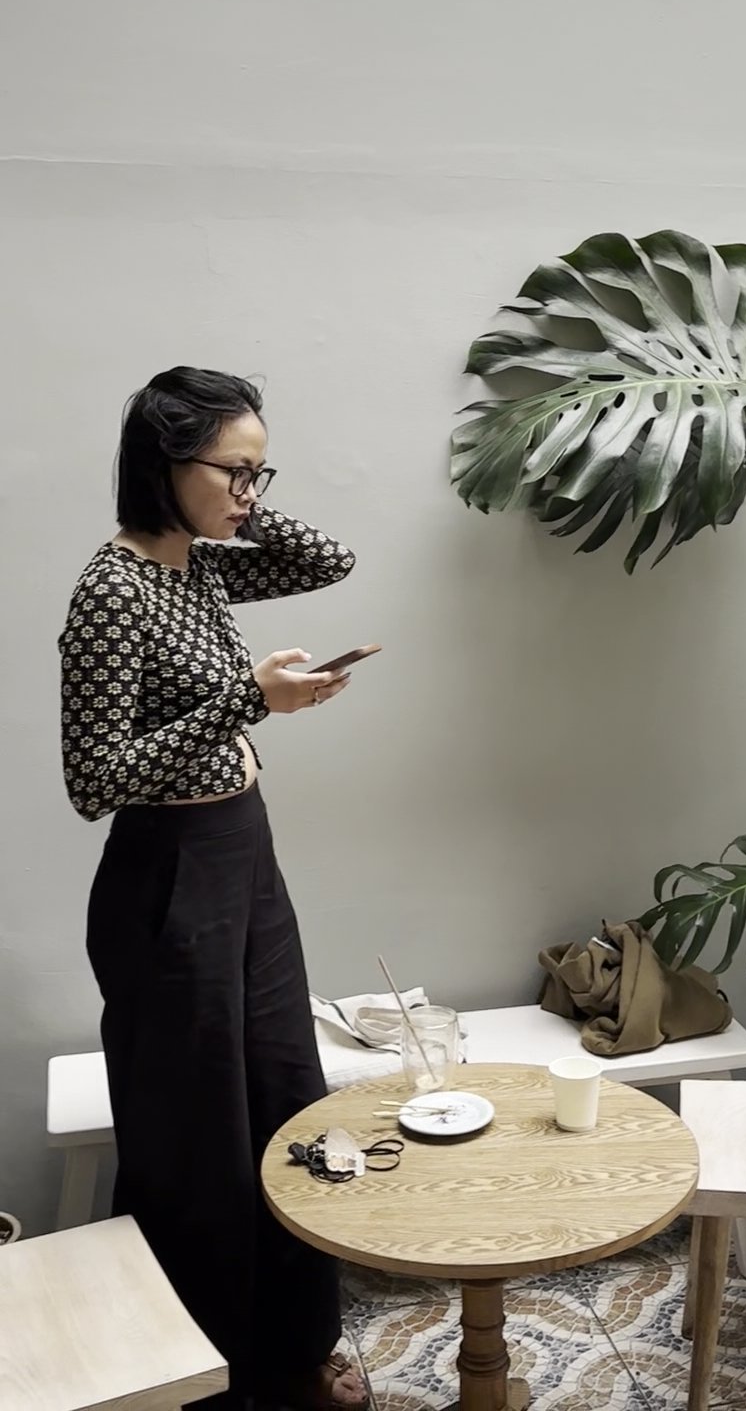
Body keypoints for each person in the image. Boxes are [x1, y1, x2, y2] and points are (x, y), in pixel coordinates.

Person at [59, 367, 369, 1411]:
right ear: (163, 465)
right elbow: (93, 781)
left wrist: (237, 494)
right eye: (234, 470)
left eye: (259, 469)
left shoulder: (195, 570)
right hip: (169, 882)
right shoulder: (113, 589)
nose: (250, 492)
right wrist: (252, 698)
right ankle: (211, 1378)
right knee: (196, 1137)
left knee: (285, 1097)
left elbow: (331, 557)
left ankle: (295, 1351)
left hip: (246, 855)